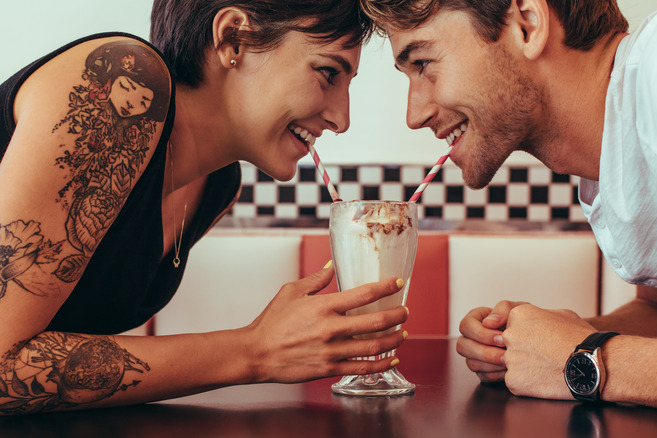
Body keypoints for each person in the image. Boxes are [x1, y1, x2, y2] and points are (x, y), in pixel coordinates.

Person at [360, 0, 657, 427]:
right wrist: (534, 347)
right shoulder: (608, 157)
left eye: (424, 63)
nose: (415, 114)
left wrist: (585, 360)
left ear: (527, 24)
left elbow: (600, 359)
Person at [0, 0, 410, 414]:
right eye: (328, 73)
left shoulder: (218, 185)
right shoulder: (127, 81)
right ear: (234, 38)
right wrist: (255, 351)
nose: (342, 118)